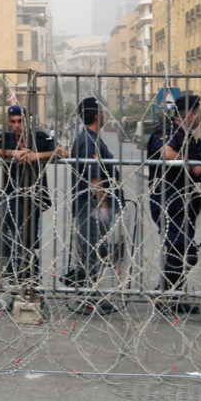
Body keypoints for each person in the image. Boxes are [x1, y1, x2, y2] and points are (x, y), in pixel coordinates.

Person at [0, 105, 67, 287]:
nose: (16, 125)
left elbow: (62, 152)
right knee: (10, 241)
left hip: (34, 197)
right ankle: (15, 281)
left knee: (28, 243)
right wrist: (13, 153)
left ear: (27, 121)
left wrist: (36, 156)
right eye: (13, 122)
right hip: (10, 197)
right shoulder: (6, 139)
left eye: (20, 121)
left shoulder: (40, 137)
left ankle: (30, 281)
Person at [145, 94, 201, 313]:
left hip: (183, 200)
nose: (200, 116)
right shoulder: (167, 130)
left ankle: (173, 295)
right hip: (168, 199)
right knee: (177, 248)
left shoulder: (184, 133)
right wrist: (191, 166)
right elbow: (166, 153)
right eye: (198, 112)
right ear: (190, 114)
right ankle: (166, 297)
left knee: (182, 250)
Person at [65, 97, 121, 305]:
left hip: (88, 205)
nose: (105, 114)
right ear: (97, 115)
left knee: (91, 249)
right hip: (90, 206)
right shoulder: (89, 141)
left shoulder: (90, 138)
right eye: (102, 111)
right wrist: (104, 206)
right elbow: (94, 178)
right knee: (90, 249)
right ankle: (88, 296)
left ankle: (88, 292)